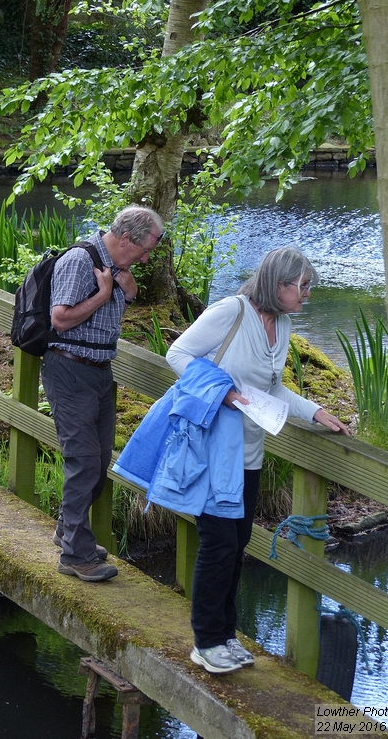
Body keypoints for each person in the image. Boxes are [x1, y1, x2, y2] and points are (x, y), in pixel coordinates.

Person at [165, 246, 349, 673]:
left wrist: (315, 411)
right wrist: (221, 392)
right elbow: (177, 354)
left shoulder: (281, 326)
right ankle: (206, 641)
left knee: (239, 543)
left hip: (248, 453)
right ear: (277, 284)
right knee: (219, 543)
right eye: (301, 287)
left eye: (308, 287)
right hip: (214, 449)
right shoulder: (231, 312)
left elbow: (272, 389)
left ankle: (225, 636)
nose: (306, 295)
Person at [45, 205, 165, 582]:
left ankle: (69, 530)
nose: (147, 257)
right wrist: (104, 293)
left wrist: (124, 286)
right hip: (70, 370)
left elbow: (122, 300)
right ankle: (75, 556)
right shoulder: (81, 261)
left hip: (100, 373)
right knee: (83, 461)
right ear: (126, 238)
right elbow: (60, 319)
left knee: (98, 463)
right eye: (144, 249)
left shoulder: (118, 266)